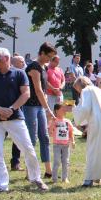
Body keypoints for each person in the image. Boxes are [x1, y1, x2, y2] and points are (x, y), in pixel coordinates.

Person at [0, 47, 49, 193]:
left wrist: (11, 109)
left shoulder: (19, 73)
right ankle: (1, 184)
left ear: (6, 59)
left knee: (28, 148)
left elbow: (26, 94)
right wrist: (0, 110)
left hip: (16, 118)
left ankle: (35, 178)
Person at [24, 42, 58, 178]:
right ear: (42, 53)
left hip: (39, 106)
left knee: (44, 137)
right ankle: (29, 172)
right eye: (48, 56)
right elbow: (38, 90)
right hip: (30, 106)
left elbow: (43, 90)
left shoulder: (43, 67)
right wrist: (48, 110)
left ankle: (48, 170)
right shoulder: (34, 67)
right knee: (32, 138)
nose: (49, 60)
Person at [47, 103, 75, 184]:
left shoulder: (67, 121)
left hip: (66, 145)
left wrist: (72, 141)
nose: (64, 110)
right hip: (57, 145)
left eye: (64, 109)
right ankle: (54, 178)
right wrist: (52, 123)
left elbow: (71, 132)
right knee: (56, 161)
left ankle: (65, 178)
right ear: (56, 111)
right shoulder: (54, 121)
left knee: (65, 161)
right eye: (62, 109)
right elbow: (50, 132)